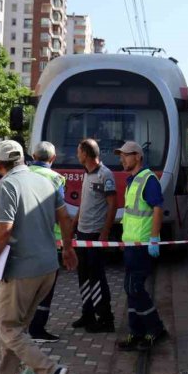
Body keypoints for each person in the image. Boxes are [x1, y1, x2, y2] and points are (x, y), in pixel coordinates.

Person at [0, 140, 77, 374]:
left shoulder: (7, 185)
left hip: (21, 268)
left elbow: (4, 229)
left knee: (8, 327)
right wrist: (68, 249)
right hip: (48, 267)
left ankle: (49, 372)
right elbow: (65, 218)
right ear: (23, 159)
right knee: (18, 328)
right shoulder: (46, 182)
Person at [115, 141, 169, 351]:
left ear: (138, 156)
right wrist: (124, 238)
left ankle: (155, 329)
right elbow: (131, 216)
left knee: (135, 288)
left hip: (142, 245)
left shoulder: (148, 179)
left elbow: (157, 208)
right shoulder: (133, 180)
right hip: (132, 244)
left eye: (126, 155)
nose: (122, 159)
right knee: (130, 289)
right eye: (121, 155)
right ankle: (136, 332)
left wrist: (154, 238)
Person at [71, 138, 118, 332]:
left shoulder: (105, 175)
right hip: (82, 232)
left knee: (96, 276)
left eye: (78, 151)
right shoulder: (87, 174)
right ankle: (88, 313)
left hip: (95, 234)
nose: (76, 155)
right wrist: (74, 225)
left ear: (86, 153)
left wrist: (105, 232)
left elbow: (113, 204)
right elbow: (84, 203)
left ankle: (105, 318)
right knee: (83, 274)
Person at [27, 141, 67, 343]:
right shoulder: (57, 178)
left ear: (33, 156)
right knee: (46, 285)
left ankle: (22, 325)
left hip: (25, 238)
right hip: (50, 239)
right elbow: (61, 213)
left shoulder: (21, 175)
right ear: (53, 159)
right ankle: (37, 328)